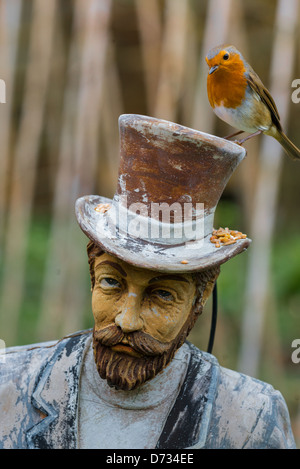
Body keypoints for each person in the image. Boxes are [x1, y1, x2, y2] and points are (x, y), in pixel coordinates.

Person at [0, 115, 296, 449]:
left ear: (202, 296)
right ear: (92, 274)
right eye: (111, 282)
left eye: (163, 295)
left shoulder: (249, 420)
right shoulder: (8, 387)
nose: (126, 321)